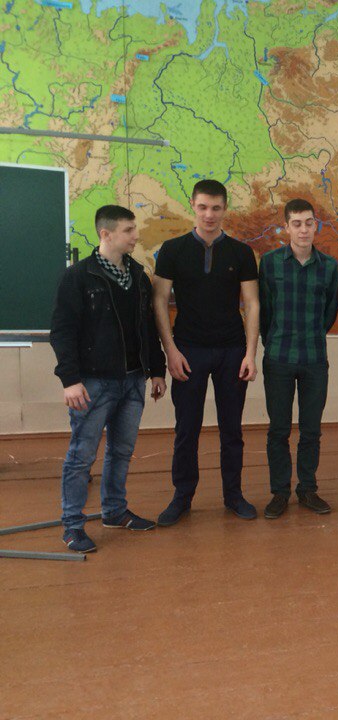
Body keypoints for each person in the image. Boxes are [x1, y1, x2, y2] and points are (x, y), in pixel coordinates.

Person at [50, 205, 167, 553]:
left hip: (133, 380)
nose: (135, 236)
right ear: (106, 234)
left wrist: (157, 370)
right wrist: (70, 380)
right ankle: (72, 525)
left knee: (122, 451)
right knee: (81, 456)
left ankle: (114, 511)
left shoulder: (138, 276)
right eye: (129, 230)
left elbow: (148, 328)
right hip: (93, 383)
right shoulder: (78, 276)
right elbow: (63, 331)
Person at [152, 179, 260, 525]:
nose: (209, 214)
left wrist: (250, 353)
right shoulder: (172, 250)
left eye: (216, 208)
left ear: (225, 209)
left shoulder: (241, 253)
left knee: (232, 430)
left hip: (232, 350)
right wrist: (170, 351)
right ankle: (182, 497)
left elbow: (252, 303)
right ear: (193, 206)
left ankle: (234, 495)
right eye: (203, 207)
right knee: (187, 429)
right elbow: (159, 300)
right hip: (188, 350)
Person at [259, 199, 338, 519]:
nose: (303, 229)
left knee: (311, 430)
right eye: (296, 223)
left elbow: (329, 312)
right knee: (278, 430)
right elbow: (264, 310)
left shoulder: (329, 266)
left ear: (315, 225)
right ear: (286, 227)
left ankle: (307, 489)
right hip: (278, 357)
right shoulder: (269, 263)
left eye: (308, 223)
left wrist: (311, 335)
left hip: (314, 358)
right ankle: (279, 492)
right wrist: (274, 339)